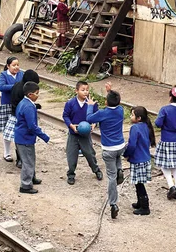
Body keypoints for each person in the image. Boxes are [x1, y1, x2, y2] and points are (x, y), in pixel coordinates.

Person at [88, 81, 125, 219]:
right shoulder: (120, 110)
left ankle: (113, 203)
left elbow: (89, 118)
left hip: (108, 149)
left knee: (111, 177)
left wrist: (90, 106)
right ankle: (120, 169)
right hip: (120, 146)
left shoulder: (103, 113)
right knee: (117, 158)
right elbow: (114, 102)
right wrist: (110, 91)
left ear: (106, 102)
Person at [62, 80, 103, 184]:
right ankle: (71, 174)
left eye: (87, 90)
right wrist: (71, 126)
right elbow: (65, 116)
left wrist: (93, 124)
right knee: (71, 156)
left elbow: (96, 115)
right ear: (76, 91)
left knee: (90, 154)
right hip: (73, 134)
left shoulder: (91, 104)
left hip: (86, 135)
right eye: (83, 90)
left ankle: (96, 170)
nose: (85, 92)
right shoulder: (70, 103)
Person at [14, 81, 50, 194]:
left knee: (30, 159)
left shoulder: (23, 103)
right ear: (30, 94)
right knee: (28, 162)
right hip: (25, 138)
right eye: (36, 93)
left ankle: (31, 178)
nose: (38, 95)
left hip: (22, 137)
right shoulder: (28, 106)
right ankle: (25, 185)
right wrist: (44, 136)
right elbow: (32, 126)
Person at [5, 69, 41, 168]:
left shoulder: (17, 85)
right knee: (21, 138)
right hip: (19, 116)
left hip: (14, 113)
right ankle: (20, 159)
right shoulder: (22, 91)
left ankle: (20, 159)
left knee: (18, 138)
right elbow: (24, 105)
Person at [125, 106, 156, 216]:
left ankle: (145, 207)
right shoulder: (146, 126)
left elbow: (132, 145)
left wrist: (126, 154)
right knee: (139, 183)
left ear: (138, 118)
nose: (130, 116)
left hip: (137, 159)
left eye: (132, 115)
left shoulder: (135, 128)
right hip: (145, 159)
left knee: (139, 184)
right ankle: (140, 202)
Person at [0, 57, 23, 162]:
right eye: (14, 65)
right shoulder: (4, 75)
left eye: (17, 65)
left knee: (18, 129)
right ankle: (7, 153)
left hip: (19, 105)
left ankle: (19, 154)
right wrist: (16, 86)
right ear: (8, 66)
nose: (16, 67)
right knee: (7, 130)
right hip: (7, 104)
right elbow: (1, 87)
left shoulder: (21, 74)